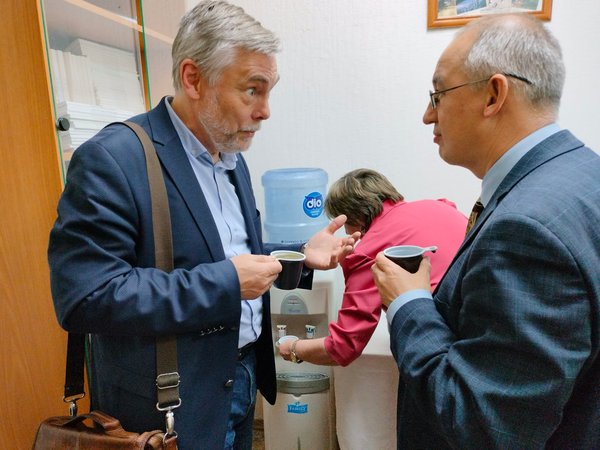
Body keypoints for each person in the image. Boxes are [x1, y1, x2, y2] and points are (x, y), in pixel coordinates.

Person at [47, 2, 358, 449]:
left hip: (240, 377)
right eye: (252, 90)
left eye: (269, 92)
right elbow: (86, 298)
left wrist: (298, 257)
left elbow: (220, 252)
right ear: (193, 79)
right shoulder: (114, 158)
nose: (265, 111)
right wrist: (225, 284)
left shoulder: (230, 157)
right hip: (170, 404)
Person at [372, 13, 600, 450]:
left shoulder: (524, 230)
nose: (427, 115)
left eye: (438, 95)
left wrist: (408, 303)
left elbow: (483, 423)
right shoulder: (583, 173)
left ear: (494, 94)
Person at [278, 168, 467, 449]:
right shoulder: (441, 207)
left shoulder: (370, 250)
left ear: (351, 219)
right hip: (478, 334)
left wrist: (293, 348)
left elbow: (343, 347)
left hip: (439, 353)